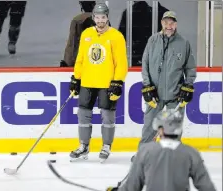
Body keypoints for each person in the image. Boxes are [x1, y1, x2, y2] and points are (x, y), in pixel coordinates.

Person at [130, 10, 197, 162]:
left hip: (175, 94)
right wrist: (147, 87)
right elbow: (145, 65)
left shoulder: (183, 43)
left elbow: (190, 68)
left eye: (172, 22)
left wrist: (188, 85)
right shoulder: (152, 41)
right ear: (161, 23)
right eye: (166, 22)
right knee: (149, 126)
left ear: (176, 24)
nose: (169, 25)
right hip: (155, 94)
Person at [69, 2, 128, 163]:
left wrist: (117, 82)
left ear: (108, 17)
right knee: (83, 114)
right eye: (97, 17)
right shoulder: (87, 34)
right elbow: (80, 58)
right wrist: (76, 78)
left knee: (107, 116)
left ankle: (106, 146)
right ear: (93, 17)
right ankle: (83, 146)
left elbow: (121, 63)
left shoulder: (116, 36)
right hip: (87, 82)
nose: (100, 20)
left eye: (103, 17)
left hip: (106, 83)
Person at [106, 108, 217, 191]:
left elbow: (132, 186)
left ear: (161, 130)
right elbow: (207, 187)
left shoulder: (146, 151)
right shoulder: (190, 153)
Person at [118, 1, 169, 66]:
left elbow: (121, 39)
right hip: (150, 59)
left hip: (135, 58)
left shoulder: (128, 13)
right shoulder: (161, 12)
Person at [60, 1, 96, 67]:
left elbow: (72, 43)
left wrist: (67, 63)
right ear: (94, 5)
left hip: (80, 60)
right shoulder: (102, 20)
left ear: (82, 6)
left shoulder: (77, 20)